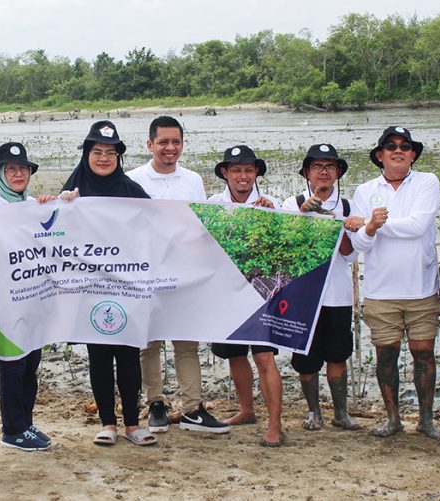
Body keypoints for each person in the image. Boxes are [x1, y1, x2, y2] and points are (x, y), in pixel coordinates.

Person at [126, 116, 229, 434]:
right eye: (163, 142)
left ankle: (192, 408)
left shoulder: (193, 180)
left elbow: (200, 226)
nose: (170, 148)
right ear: (149, 144)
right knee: (149, 344)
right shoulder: (132, 179)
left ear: (182, 144)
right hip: (148, 272)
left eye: (176, 142)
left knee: (187, 344)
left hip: (185, 272)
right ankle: (155, 403)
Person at [0, 142, 77, 451]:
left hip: (32, 298)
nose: (19, 174)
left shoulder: (30, 203)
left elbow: (58, 226)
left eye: (23, 169)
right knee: (12, 365)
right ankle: (12, 429)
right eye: (11, 169)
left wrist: (61, 202)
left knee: (31, 362)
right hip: (5, 302)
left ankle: (26, 423)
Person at [61, 120, 157, 446]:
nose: (104, 158)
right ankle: (107, 423)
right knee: (99, 357)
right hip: (90, 291)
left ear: (118, 156)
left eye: (111, 152)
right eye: (97, 152)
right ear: (87, 154)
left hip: (127, 287)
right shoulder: (73, 192)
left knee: (129, 357)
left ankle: (132, 424)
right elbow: (50, 233)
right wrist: (60, 207)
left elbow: (161, 225)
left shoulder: (132, 191)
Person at [349, 127, 440, 439]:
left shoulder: (427, 182)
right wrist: (368, 228)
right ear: (380, 155)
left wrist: (372, 224)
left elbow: (417, 226)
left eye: (405, 146)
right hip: (381, 291)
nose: (398, 151)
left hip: (421, 289)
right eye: (390, 146)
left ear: (413, 154)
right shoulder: (364, 191)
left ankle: (426, 419)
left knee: (423, 355)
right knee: (385, 357)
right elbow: (360, 245)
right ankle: (393, 419)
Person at [282, 144, 363, 432]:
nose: (324, 172)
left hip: (338, 295)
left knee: (338, 355)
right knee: (306, 360)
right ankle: (314, 412)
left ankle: (340, 413)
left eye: (330, 166)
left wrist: (332, 224)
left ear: (338, 173)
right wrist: (303, 220)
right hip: (305, 297)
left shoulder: (350, 207)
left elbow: (349, 253)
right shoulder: (292, 205)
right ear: (307, 173)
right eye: (317, 166)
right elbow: (288, 251)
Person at [207, 145, 283, 446]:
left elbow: (282, 249)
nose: (243, 176)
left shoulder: (270, 203)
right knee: (234, 354)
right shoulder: (212, 203)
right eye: (236, 170)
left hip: (262, 291)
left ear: (256, 174)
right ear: (225, 173)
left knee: (264, 356)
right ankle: (246, 410)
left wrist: (272, 220)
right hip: (226, 290)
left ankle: (276, 424)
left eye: (249, 170)